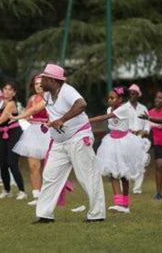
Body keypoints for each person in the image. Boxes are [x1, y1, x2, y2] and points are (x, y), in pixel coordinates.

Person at [33, 64, 105, 223]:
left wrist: (62, 119)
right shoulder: (47, 94)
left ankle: (97, 214)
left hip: (78, 137)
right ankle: (45, 215)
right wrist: (50, 121)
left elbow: (82, 104)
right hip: (59, 142)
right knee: (50, 176)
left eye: (44, 77)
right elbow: (52, 111)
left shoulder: (67, 91)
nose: (40, 80)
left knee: (87, 175)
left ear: (52, 80)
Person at [90, 86, 150, 214]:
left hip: (124, 143)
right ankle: (118, 203)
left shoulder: (123, 109)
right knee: (113, 173)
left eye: (113, 98)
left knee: (124, 174)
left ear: (120, 99)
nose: (110, 100)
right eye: (109, 98)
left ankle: (125, 204)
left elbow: (104, 118)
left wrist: (88, 120)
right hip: (111, 142)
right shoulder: (109, 108)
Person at [11, 75, 50, 205]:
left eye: (40, 83)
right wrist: (27, 118)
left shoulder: (51, 97)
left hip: (48, 132)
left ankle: (49, 195)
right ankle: (37, 196)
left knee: (49, 167)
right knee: (33, 166)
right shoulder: (32, 99)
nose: (38, 86)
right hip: (33, 132)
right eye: (35, 84)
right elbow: (28, 113)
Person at [127, 84, 151, 194]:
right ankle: (125, 186)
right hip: (127, 138)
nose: (132, 95)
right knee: (127, 162)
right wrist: (131, 131)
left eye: (134, 93)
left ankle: (137, 188)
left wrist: (145, 131)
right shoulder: (124, 108)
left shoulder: (143, 108)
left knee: (140, 163)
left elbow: (147, 123)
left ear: (138, 95)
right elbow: (121, 124)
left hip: (141, 139)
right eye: (130, 93)